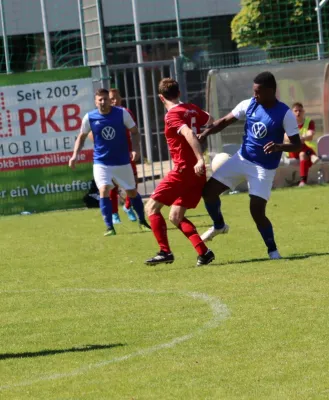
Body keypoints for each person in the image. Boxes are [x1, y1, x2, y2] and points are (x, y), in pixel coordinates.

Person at [198, 71, 302, 260]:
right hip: (242, 159)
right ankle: (219, 225)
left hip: (264, 168)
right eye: (254, 91)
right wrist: (206, 133)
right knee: (209, 192)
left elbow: (297, 144)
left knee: (256, 210)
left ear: (271, 91)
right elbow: (224, 121)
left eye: (259, 92)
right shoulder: (249, 104)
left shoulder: (285, 113)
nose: (255, 95)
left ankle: (272, 250)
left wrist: (279, 146)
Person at [144, 78, 215, 267]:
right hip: (197, 174)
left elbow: (189, 134)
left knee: (151, 208)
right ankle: (204, 252)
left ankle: (165, 251)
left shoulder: (171, 115)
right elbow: (211, 120)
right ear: (179, 93)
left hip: (184, 170)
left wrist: (199, 158)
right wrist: (203, 136)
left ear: (161, 98)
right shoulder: (192, 108)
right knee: (175, 216)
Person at [69, 88, 151, 236]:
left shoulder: (121, 113)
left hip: (122, 161)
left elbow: (135, 132)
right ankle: (109, 227)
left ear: (109, 100)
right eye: (99, 99)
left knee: (131, 192)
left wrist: (136, 149)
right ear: (95, 101)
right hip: (101, 162)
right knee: (104, 189)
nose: (103, 102)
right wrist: (75, 155)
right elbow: (81, 137)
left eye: (105, 99)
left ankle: (142, 221)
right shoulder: (90, 117)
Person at [108, 88, 138, 224]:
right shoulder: (104, 116)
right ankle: (114, 213)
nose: (114, 101)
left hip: (126, 153)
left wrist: (135, 149)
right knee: (112, 185)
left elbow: (134, 132)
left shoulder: (126, 112)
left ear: (120, 98)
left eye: (116, 97)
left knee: (133, 183)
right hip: (112, 155)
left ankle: (127, 206)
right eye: (111, 98)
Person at [287, 102, 319, 187]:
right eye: (295, 111)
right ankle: (311, 154)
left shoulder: (309, 122)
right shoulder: (288, 123)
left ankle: (303, 182)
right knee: (298, 144)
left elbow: (310, 134)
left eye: (300, 111)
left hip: (303, 151)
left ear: (303, 112)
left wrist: (302, 138)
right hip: (292, 151)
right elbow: (286, 137)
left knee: (302, 154)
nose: (298, 113)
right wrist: (298, 139)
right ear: (292, 112)